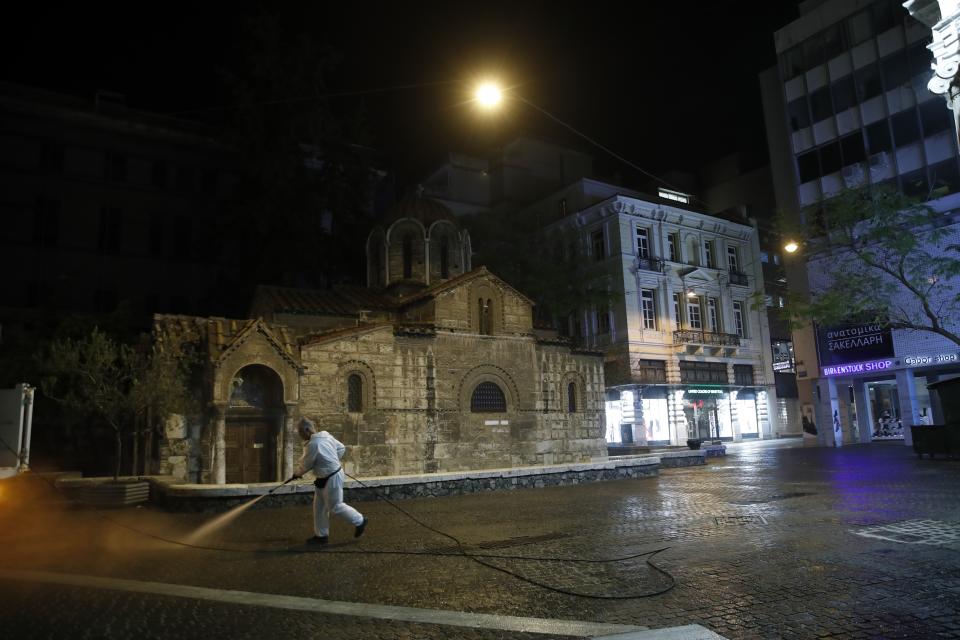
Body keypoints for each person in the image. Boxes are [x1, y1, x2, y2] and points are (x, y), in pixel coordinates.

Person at [292, 418, 367, 546]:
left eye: (300, 433)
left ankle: (360, 520)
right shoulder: (327, 436)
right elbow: (341, 448)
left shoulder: (313, 445)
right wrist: (331, 459)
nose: (300, 436)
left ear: (307, 429)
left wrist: (296, 474)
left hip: (332, 476)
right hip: (323, 477)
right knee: (319, 508)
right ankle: (321, 536)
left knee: (335, 506)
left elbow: (306, 465)